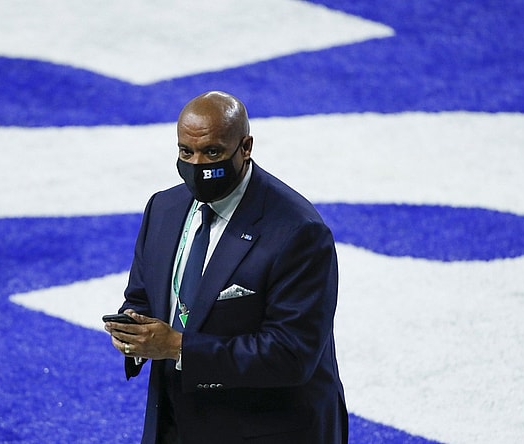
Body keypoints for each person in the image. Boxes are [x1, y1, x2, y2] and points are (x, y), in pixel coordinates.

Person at [104, 91, 347, 443]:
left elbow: (292, 353)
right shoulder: (164, 209)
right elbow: (143, 296)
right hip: (175, 423)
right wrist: (134, 331)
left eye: (212, 152)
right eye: (186, 152)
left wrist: (177, 346)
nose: (198, 164)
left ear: (245, 146)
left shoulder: (298, 232)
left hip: (269, 429)